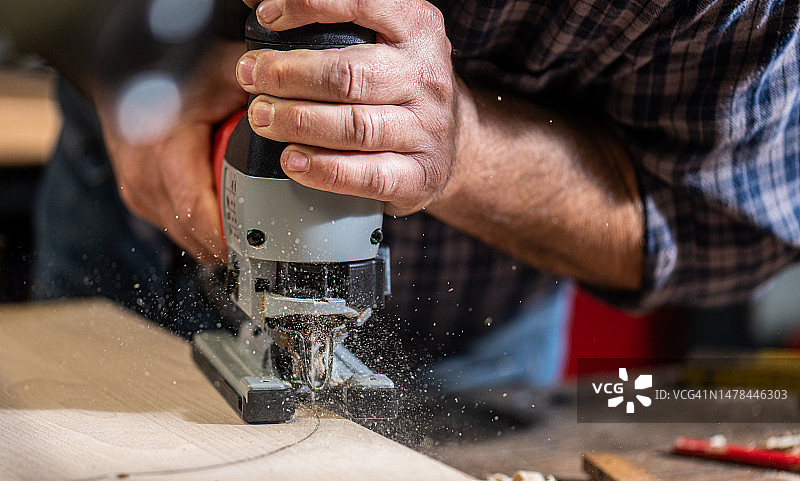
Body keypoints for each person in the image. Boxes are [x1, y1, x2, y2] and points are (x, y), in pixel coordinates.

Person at [22, 0, 800, 397]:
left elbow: (725, 231)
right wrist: (119, 72)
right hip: (116, 258)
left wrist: (461, 151)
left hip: (472, 352)